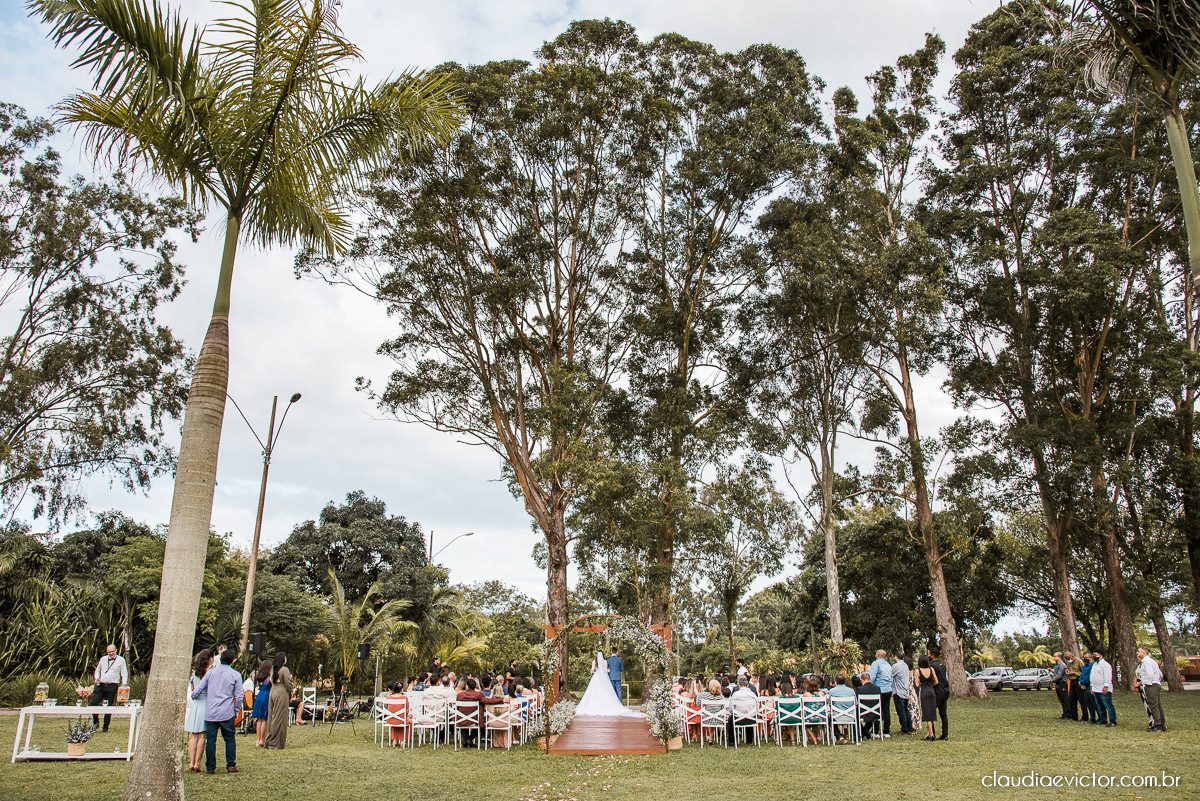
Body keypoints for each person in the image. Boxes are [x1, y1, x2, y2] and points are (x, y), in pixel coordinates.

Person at [190, 648, 242, 774]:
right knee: (229, 739)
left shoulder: (210, 673)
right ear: (232, 661)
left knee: (211, 740)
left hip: (211, 712)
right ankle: (231, 764)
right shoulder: (235, 675)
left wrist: (193, 695)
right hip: (226, 712)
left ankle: (210, 767)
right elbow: (239, 696)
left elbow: (199, 688)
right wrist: (236, 710)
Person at [184, 649, 212, 772]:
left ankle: (191, 762)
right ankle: (197, 763)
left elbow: (193, 689)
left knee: (194, 735)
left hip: (196, 704)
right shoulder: (209, 673)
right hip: (205, 702)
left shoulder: (194, 674)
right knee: (202, 735)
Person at [91, 643, 128, 732]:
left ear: (116, 651)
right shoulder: (103, 659)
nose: (111, 653)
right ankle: (95, 723)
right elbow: (97, 670)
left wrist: (124, 684)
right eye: (109, 652)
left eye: (112, 651)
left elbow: (124, 672)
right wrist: (97, 678)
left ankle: (105, 727)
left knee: (109, 706)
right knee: (93, 703)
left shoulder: (121, 660)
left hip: (112, 685)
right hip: (101, 684)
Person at [264, 651, 294, 749]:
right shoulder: (284, 670)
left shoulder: (273, 670)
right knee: (279, 717)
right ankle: (275, 742)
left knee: (271, 717)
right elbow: (288, 684)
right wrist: (292, 686)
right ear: (283, 659)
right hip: (281, 693)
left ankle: (268, 740)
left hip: (272, 692)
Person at [1135, 646, 1166, 732]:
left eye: (1139, 651)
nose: (1137, 653)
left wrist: (1146, 684)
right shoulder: (1151, 661)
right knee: (1157, 705)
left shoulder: (1146, 661)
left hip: (1151, 685)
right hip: (1155, 683)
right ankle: (1162, 724)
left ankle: (1158, 725)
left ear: (1143, 653)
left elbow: (1150, 674)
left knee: (1153, 705)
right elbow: (1160, 674)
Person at [912, 655, 939, 741]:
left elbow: (917, 684)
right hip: (931, 691)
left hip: (924, 692)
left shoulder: (917, 671)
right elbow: (936, 681)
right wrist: (931, 685)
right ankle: (928, 733)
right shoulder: (931, 669)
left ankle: (931, 734)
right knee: (931, 711)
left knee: (927, 713)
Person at [869, 649, 893, 737]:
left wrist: (869, 686)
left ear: (878, 655)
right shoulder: (888, 665)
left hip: (879, 689)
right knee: (886, 710)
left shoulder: (876, 664)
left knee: (876, 710)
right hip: (888, 689)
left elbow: (872, 677)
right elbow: (891, 677)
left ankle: (876, 731)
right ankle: (886, 731)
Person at [1090, 649, 1116, 727]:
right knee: (1099, 705)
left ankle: (1112, 721)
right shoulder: (1095, 665)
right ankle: (1103, 719)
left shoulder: (1105, 665)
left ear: (1101, 656)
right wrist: (1091, 686)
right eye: (1093, 655)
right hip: (1095, 688)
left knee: (1108, 705)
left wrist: (1106, 686)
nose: (1094, 656)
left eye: (1095, 655)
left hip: (1103, 688)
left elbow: (1108, 676)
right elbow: (1092, 676)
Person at [929, 645, 950, 740]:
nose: (928, 656)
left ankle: (932, 733)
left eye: (929, 654)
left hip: (937, 691)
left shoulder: (933, 666)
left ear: (932, 655)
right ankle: (945, 734)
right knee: (943, 714)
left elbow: (934, 680)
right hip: (945, 691)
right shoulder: (943, 665)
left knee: (931, 712)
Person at [827, 675, 856, 744]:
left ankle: (839, 736)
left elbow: (830, 705)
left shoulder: (832, 691)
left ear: (836, 682)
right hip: (851, 717)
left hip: (837, 717)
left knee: (829, 717)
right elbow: (855, 705)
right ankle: (856, 737)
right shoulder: (851, 691)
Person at [856, 671, 882, 739]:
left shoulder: (860, 689)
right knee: (871, 714)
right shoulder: (877, 689)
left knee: (855, 714)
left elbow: (857, 701)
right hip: (876, 712)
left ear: (862, 680)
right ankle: (866, 731)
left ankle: (864, 731)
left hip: (863, 713)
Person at [251, 660, 271, 747]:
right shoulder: (269, 677)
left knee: (259, 720)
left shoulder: (259, 677)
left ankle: (258, 739)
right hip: (266, 696)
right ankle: (262, 739)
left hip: (260, 696)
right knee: (264, 719)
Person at [892, 654, 914, 734]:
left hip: (898, 691)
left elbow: (891, 675)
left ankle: (904, 728)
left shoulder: (896, 666)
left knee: (901, 711)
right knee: (906, 709)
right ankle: (910, 727)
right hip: (905, 690)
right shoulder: (905, 666)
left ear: (896, 657)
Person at [1063, 652, 1082, 721]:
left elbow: (1083, 672)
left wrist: (1074, 673)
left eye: (1068, 658)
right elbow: (1069, 669)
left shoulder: (1079, 661)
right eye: (1066, 659)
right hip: (1071, 681)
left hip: (1078, 680)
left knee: (1081, 699)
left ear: (1072, 656)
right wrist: (1067, 671)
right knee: (1071, 699)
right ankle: (1074, 716)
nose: (1068, 660)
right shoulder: (1069, 663)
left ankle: (1085, 717)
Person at [1077, 653, 1095, 723]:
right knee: (1088, 703)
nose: (1085, 659)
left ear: (1090, 658)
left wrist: (1083, 682)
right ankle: (1092, 718)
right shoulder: (1084, 666)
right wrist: (1080, 682)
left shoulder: (1092, 666)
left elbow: (1089, 676)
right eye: (1084, 657)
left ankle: (1097, 718)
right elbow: (1082, 675)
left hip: (1089, 685)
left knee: (1093, 702)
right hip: (1083, 685)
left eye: (1086, 657)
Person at [1050, 651, 1068, 718]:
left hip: (1062, 683)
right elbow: (1056, 673)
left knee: (1065, 699)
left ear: (1059, 657)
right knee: (1061, 699)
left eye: (1055, 656)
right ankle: (1064, 713)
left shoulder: (1062, 665)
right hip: (1058, 683)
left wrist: (1052, 680)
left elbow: (1059, 675)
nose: (1054, 658)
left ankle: (1067, 714)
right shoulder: (1056, 665)